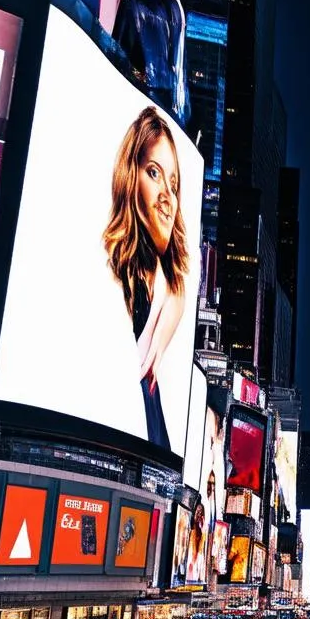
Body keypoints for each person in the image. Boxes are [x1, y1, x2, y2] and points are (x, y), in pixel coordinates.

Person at [103, 106, 189, 449]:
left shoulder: (166, 288)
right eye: (154, 172)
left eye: (174, 184)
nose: (168, 198)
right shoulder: (109, 274)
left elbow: (178, 286)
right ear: (129, 174)